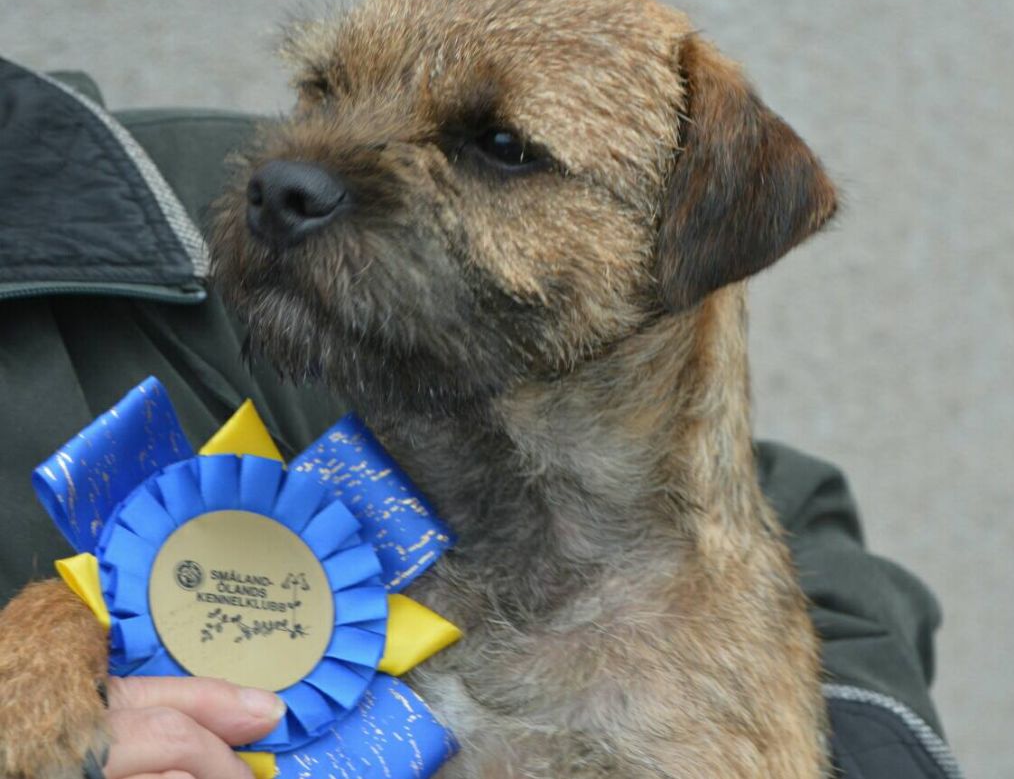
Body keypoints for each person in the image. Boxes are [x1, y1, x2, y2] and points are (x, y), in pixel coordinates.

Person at [0, 57, 963, 778]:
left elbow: (779, 525)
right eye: (327, 88)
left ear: (696, 231)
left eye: (502, 149)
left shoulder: (172, 186)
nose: (296, 169)